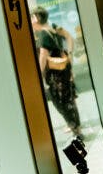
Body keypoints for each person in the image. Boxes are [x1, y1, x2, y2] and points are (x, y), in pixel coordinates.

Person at [32, 7, 82, 138]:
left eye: (31, 18)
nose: (30, 22)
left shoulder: (43, 34)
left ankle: (75, 130)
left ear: (36, 18)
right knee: (68, 100)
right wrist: (70, 54)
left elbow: (43, 56)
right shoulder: (53, 28)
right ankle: (76, 128)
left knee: (60, 101)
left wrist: (38, 73)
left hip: (55, 74)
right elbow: (69, 37)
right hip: (64, 69)